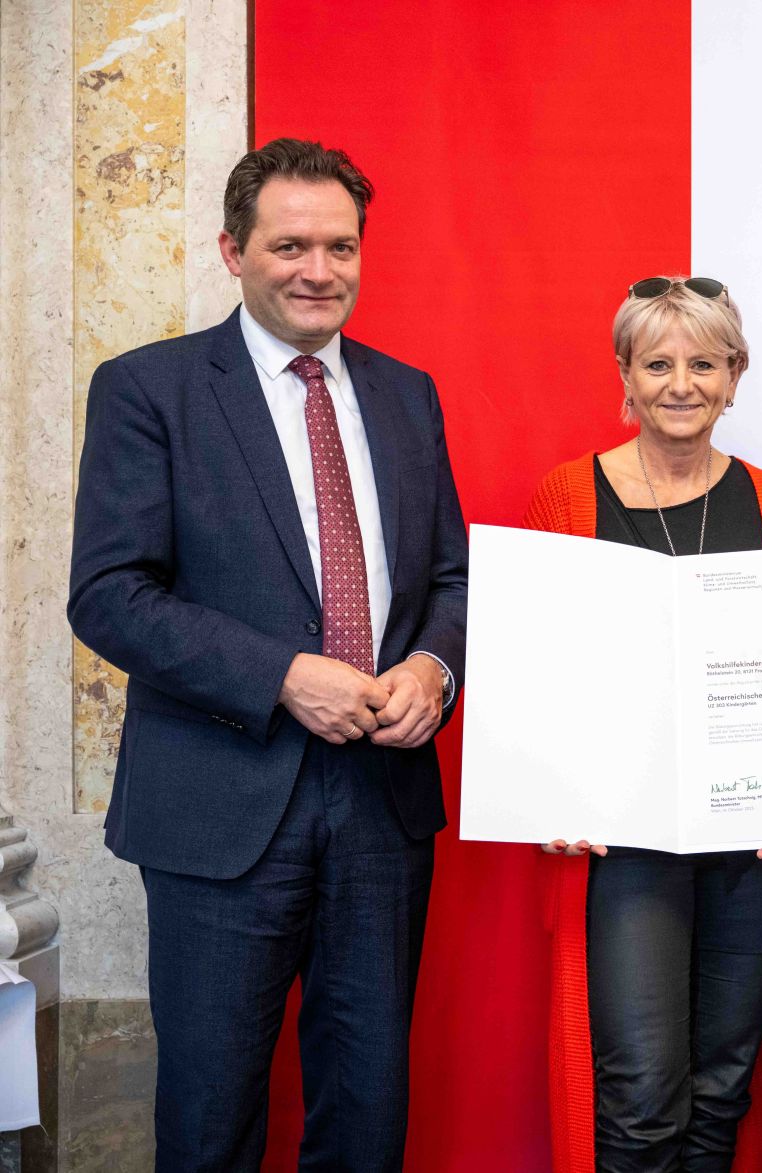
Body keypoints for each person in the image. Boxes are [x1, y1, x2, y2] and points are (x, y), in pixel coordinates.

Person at [66, 138, 467, 1170]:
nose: (317, 270)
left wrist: (432, 670)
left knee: (367, 1114)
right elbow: (108, 596)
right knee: (210, 1117)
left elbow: (450, 584)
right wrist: (281, 677)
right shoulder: (149, 388)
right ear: (232, 251)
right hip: (217, 806)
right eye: (290, 245)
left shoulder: (406, 394)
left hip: (382, 804)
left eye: (339, 246)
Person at [523, 276, 762, 1173]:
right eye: (658, 363)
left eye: (704, 363)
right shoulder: (566, 497)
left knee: (724, 1083)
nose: (681, 383)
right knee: (643, 1091)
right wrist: (547, 793)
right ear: (624, 374)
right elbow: (534, 671)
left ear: (736, 378)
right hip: (624, 844)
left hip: (747, 841)